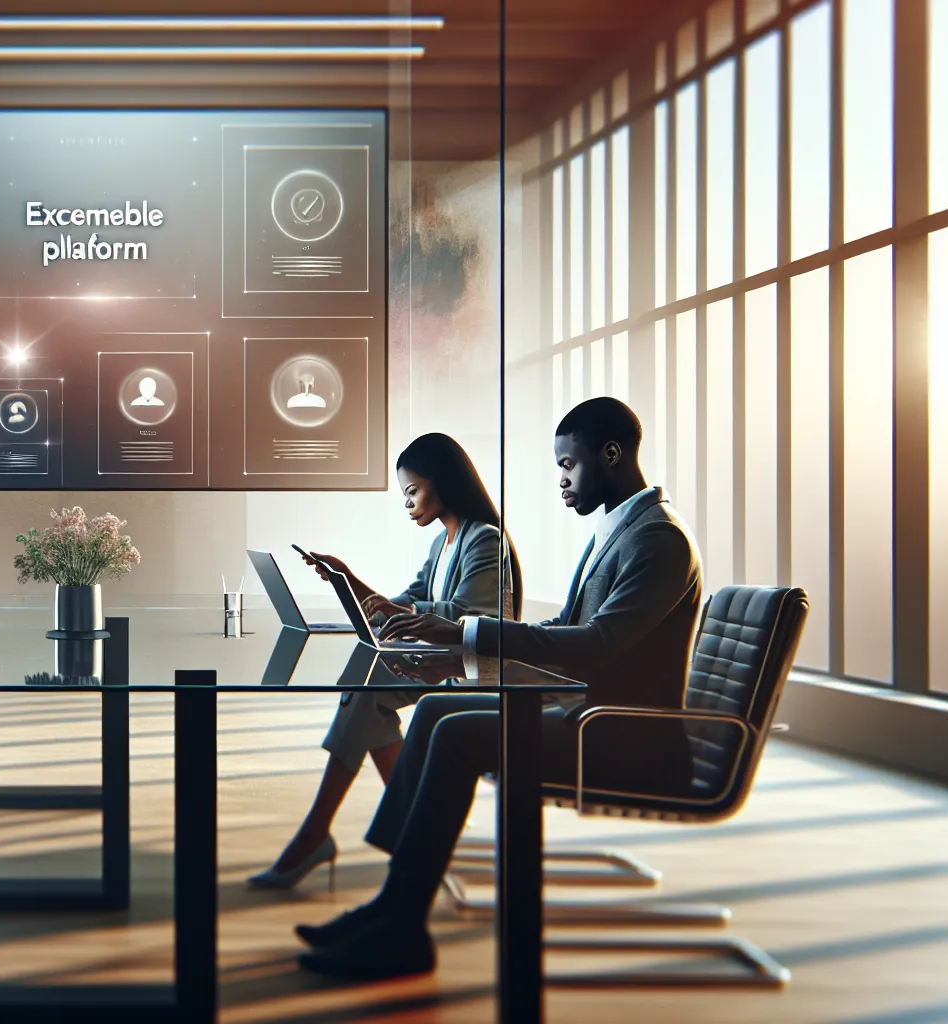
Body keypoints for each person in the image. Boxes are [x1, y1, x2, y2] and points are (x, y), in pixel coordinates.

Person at [295, 396, 702, 979]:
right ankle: (394, 904)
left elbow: (596, 645)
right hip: (589, 713)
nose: (561, 480)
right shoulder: (621, 531)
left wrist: (465, 632)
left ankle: (401, 925)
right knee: (437, 711)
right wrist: (458, 647)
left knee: (458, 734)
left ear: (611, 454)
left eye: (568, 465)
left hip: (625, 736)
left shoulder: (659, 539)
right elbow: (566, 630)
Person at [248, 433, 522, 890]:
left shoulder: (484, 540)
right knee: (367, 697)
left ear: (443, 482)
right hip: (440, 658)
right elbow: (403, 604)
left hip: (471, 666)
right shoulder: (443, 544)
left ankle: (321, 834)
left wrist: (401, 612)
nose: (408, 504)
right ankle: (410, 824)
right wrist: (348, 580)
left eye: (413, 491)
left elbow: (473, 618)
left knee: (365, 695)